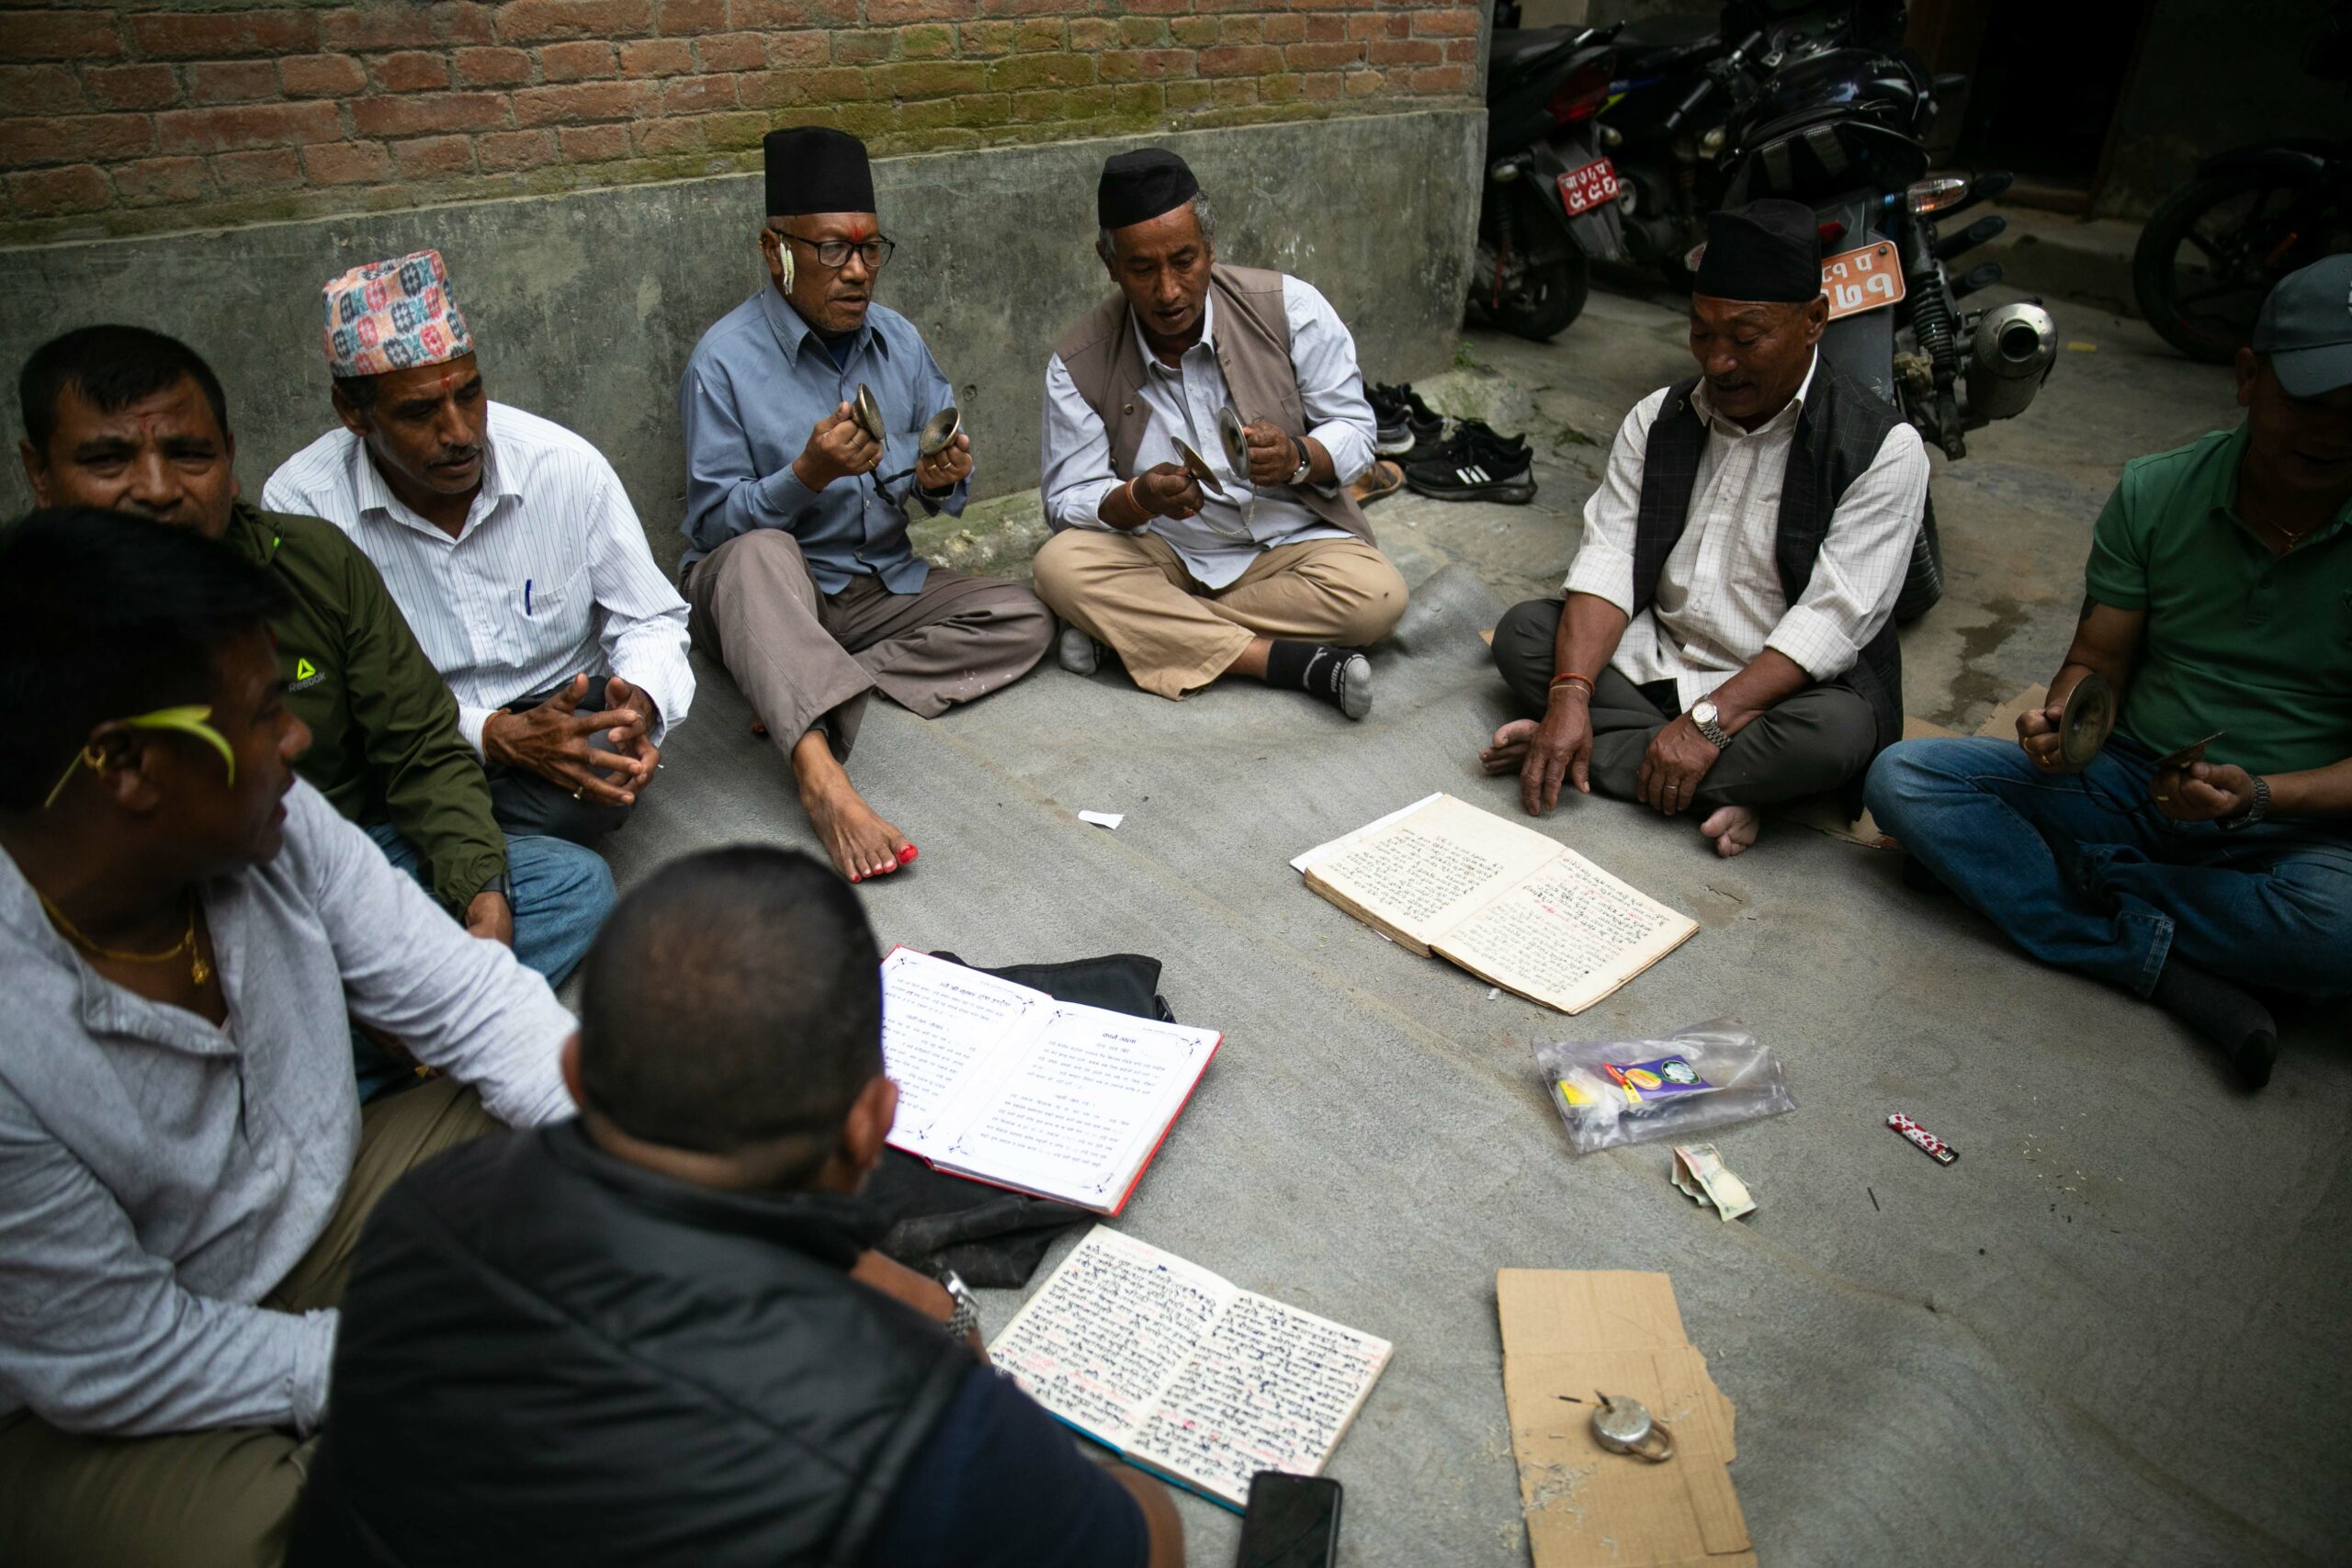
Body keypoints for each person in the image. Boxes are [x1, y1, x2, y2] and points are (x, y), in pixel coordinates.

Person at [287, 845, 1183, 1566]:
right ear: (872, 1127)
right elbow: (1148, 1541)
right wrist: (964, 1352)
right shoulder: (918, 1431)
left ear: (574, 1070)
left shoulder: (425, 1210)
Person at [0, 509, 577, 1568]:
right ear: (125, 763)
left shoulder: (275, 816)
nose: (297, 739)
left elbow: (470, 1002)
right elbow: (120, 1357)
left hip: (311, 1216)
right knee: (286, 1537)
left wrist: (667, 1173)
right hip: (92, 1387)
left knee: (601, 1147)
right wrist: (414, 1362)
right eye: (264, 713)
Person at [1866, 254, 2352, 1089]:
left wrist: (2263, 796)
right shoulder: (2158, 492)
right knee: (1905, 779)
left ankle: (2067, 885)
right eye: (2310, 401)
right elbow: (2098, 660)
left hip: (2295, 826)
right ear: (2248, 377)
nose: (2333, 432)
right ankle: (2164, 963)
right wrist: (2064, 720)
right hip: (2134, 784)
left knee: (2338, 931)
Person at [17, 324, 613, 1000]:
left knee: (567, 887)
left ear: (229, 456)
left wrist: (482, 893)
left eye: (188, 454)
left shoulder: (309, 564)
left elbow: (419, 745)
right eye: (108, 461)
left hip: (328, 858)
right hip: (128, 913)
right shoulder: (25, 626)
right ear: (40, 473)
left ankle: (322, 1017)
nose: (156, 489)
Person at [1481, 199, 1928, 857]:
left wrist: (1706, 726)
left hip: (1776, 697)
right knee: (1525, 632)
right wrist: (1572, 696)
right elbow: (1609, 559)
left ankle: (1600, 755)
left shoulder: (1882, 447)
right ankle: (1725, 786)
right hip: (1654, 659)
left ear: (1814, 321)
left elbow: (1830, 622)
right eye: (1701, 334)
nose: (1718, 362)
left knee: (1838, 735)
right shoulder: (1658, 418)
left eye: (1745, 339)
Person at [679, 127, 1052, 884]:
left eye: (870, 249)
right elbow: (712, 528)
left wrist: (939, 479)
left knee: (1027, 618)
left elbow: (938, 471)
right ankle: (822, 779)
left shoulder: (899, 342)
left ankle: (811, 682)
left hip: (879, 587)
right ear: (775, 251)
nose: (856, 272)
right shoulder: (721, 361)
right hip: (773, 593)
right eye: (831, 250)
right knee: (756, 552)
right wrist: (806, 475)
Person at [264, 248, 694, 851]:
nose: (461, 432)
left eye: (469, 395)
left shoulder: (563, 465)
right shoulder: (303, 503)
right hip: (409, 733)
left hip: (560, 703)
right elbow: (328, 689)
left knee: (598, 764)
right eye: (420, 411)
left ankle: (429, 840)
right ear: (353, 414)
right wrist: (489, 735)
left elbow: (651, 618)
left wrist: (639, 704)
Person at [1035, 147, 1408, 720]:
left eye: (1184, 261)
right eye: (1143, 269)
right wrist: (1138, 497)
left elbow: (1357, 433)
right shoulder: (1079, 361)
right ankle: (1279, 661)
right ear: (1110, 264)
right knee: (1060, 566)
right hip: (1165, 551)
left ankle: (1132, 629)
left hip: (1287, 544)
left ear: (1210, 245)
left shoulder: (1290, 309)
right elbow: (1065, 501)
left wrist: (1299, 456)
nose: (1168, 291)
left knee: (1378, 598)